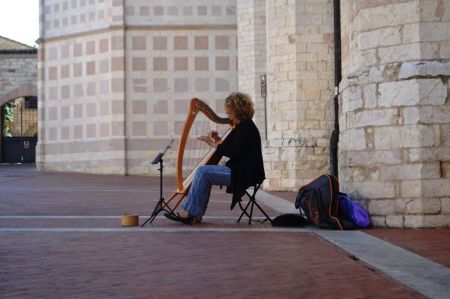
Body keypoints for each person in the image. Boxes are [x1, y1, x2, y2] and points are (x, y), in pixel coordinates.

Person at [164, 92, 265, 224]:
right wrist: (217, 139)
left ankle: (191, 213)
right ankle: (193, 213)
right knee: (203, 172)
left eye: (229, 111)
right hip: (240, 170)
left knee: (203, 172)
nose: (227, 114)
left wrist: (211, 143)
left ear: (237, 110)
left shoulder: (246, 127)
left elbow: (233, 152)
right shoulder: (242, 126)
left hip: (244, 174)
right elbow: (231, 147)